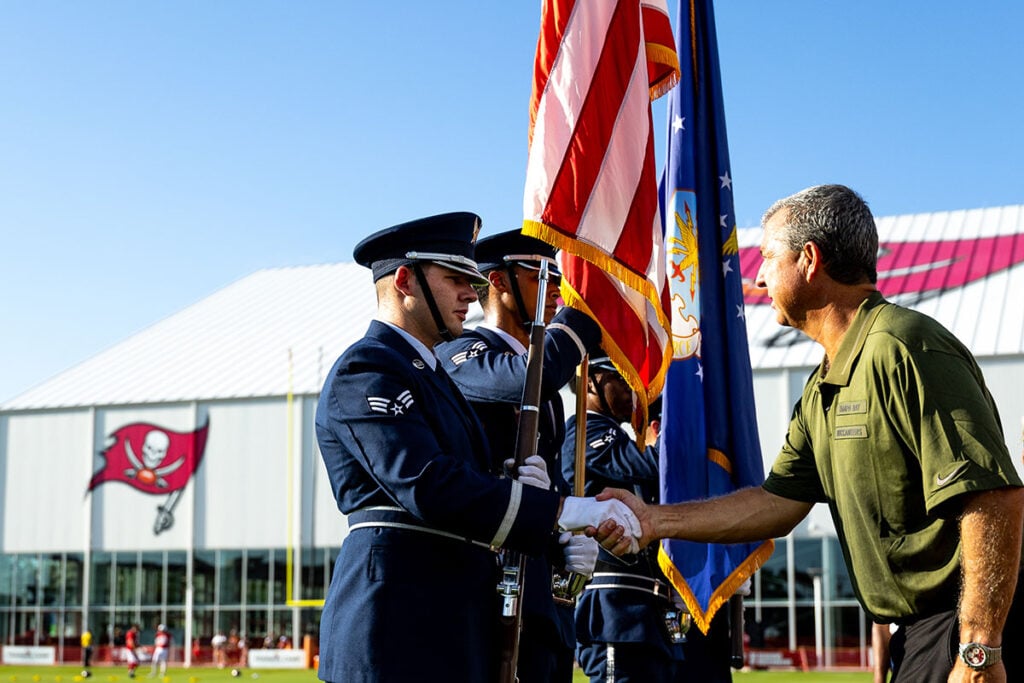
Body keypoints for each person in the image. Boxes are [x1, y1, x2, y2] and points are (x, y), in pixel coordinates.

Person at [600, 184, 1024, 682]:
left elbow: (994, 498)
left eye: (767, 258)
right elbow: (776, 503)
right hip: (922, 635)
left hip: (969, 631)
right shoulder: (824, 382)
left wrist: (979, 649)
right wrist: (653, 520)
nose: (757, 279)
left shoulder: (904, 346)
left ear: (808, 259)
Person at [314, 212, 641, 682]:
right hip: (397, 618)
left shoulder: (431, 377)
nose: (471, 292)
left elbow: (469, 484)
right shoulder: (367, 367)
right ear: (405, 280)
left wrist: (548, 532)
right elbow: (428, 483)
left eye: (472, 279)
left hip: (453, 617)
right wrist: (557, 510)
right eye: (455, 279)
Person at [438, 229, 602, 682]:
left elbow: (546, 477)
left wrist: (563, 535)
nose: (557, 292)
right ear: (500, 282)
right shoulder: (461, 350)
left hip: (538, 598)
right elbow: (531, 376)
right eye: (542, 276)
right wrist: (586, 312)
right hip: (485, 594)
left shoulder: (543, 383)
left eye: (561, 278)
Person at [563, 356, 685, 682]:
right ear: (590, 381)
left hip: (644, 607)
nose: (637, 388)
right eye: (625, 376)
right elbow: (658, 466)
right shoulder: (583, 433)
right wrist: (677, 407)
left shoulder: (619, 435)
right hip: (615, 607)